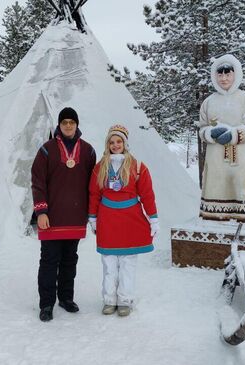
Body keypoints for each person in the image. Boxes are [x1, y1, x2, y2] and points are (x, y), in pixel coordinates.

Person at [31, 107, 96, 322]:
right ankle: (46, 303)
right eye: (64, 122)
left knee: (70, 260)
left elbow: (92, 185)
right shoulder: (47, 150)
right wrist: (41, 211)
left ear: (77, 124)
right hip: (51, 217)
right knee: (49, 261)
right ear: (59, 125)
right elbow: (38, 182)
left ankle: (66, 298)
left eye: (72, 122)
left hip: (75, 217)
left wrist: (91, 213)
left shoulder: (88, 151)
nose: (68, 125)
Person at [88, 125, 159, 317]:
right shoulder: (100, 166)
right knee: (109, 263)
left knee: (128, 263)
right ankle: (109, 299)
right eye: (112, 142)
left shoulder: (137, 167)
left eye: (119, 141)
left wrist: (153, 218)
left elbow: (147, 194)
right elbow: (94, 194)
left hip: (131, 219)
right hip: (108, 219)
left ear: (125, 143)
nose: (115, 145)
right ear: (107, 144)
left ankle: (125, 299)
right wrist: (92, 218)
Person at [197, 54, 245, 222]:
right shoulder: (208, 102)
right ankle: (214, 217)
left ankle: (243, 217)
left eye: (228, 74)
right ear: (214, 76)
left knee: (239, 186)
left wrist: (235, 135)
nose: (224, 78)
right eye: (220, 74)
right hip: (215, 158)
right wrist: (209, 134)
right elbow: (203, 127)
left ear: (236, 74)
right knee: (216, 186)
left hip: (240, 157)